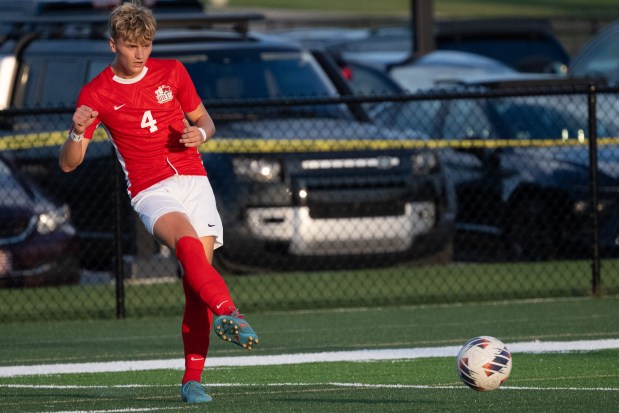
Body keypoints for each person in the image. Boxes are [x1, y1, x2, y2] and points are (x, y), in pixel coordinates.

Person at [58, 1, 259, 404]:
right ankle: (231, 314)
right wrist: (77, 133)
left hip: (194, 181)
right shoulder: (95, 91)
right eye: (131, 45)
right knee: (186, 247)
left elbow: (205, 121)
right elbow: (68, 164)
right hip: (152, 189)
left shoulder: (173, 72)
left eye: (146, 44)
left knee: (194, 282)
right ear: (111, 43)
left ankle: (192, 381)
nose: (140, 53)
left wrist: (199, 135)